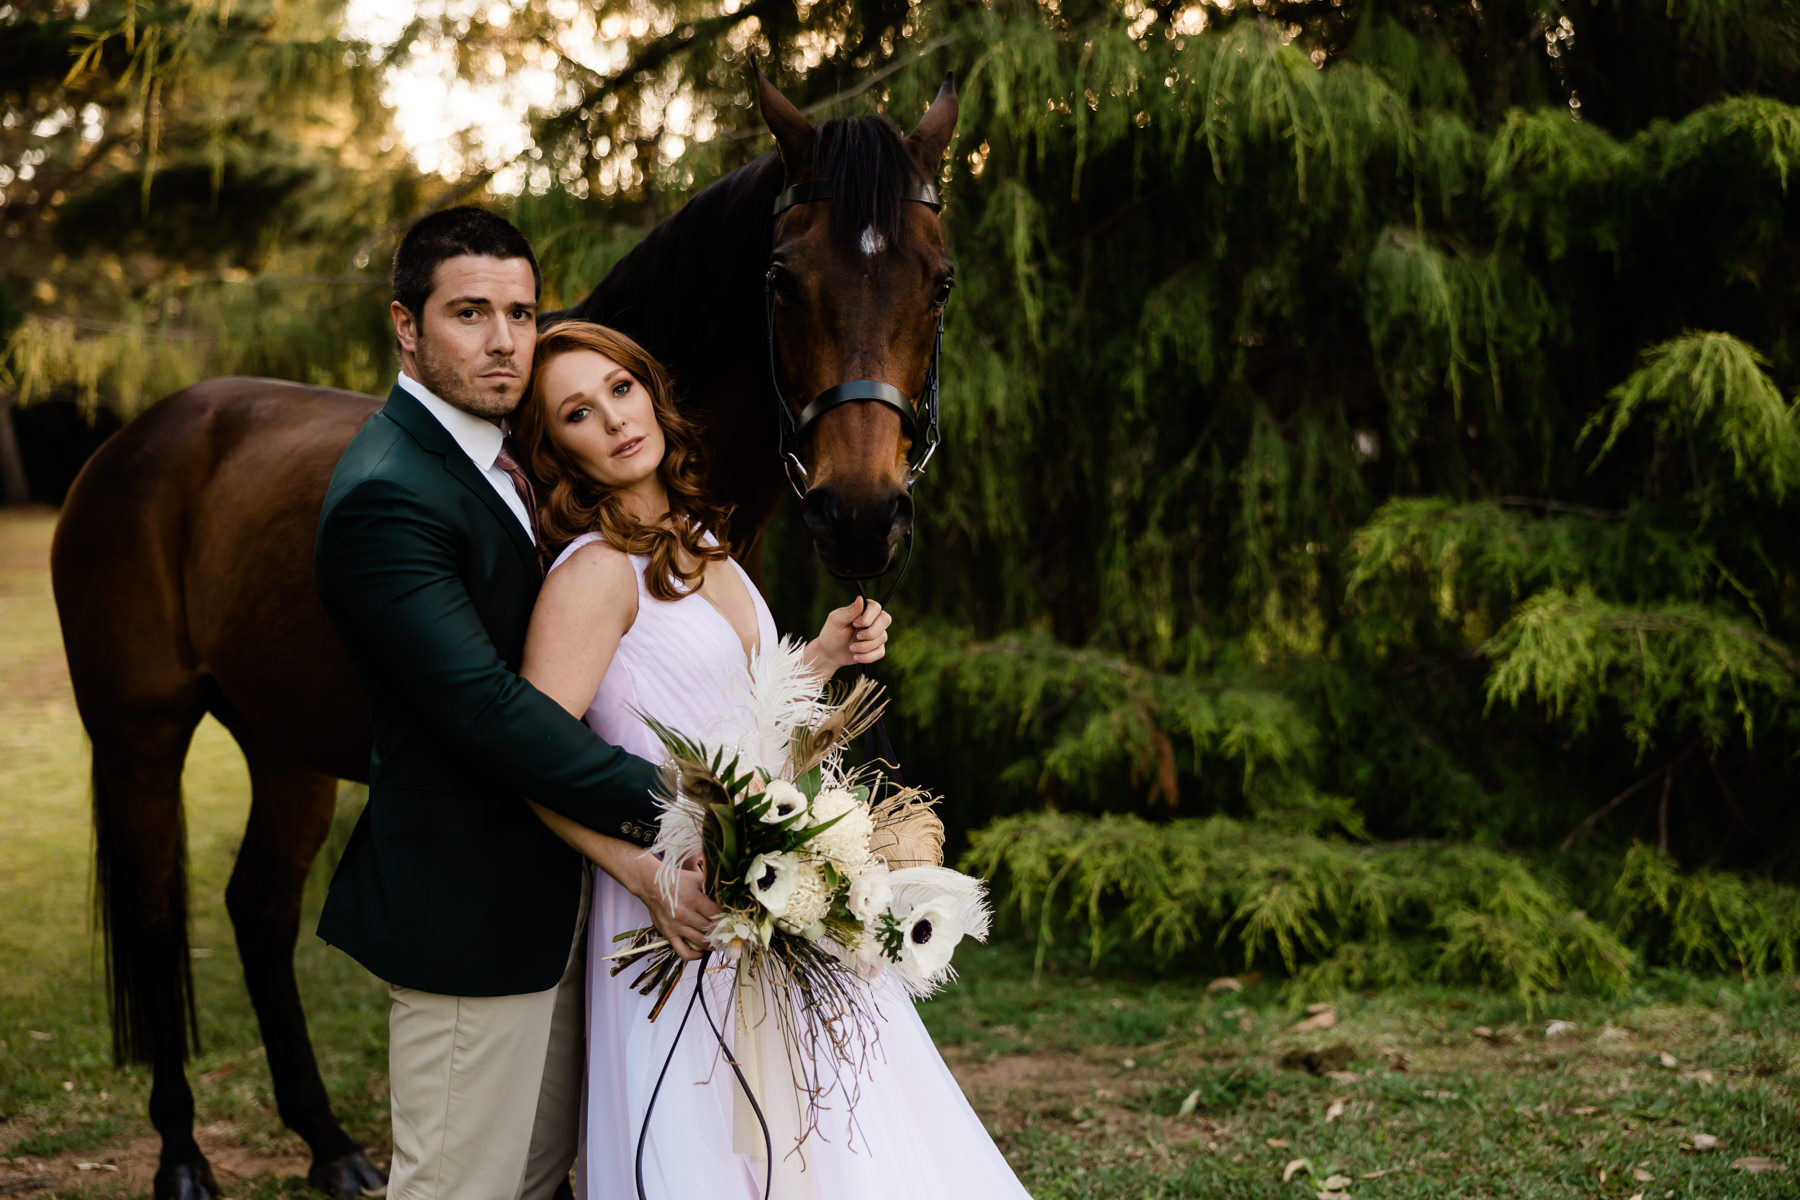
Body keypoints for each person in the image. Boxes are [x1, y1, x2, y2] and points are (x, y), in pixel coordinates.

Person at [511, 319, 1034, 1199]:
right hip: (679, 908)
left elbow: (749, 732)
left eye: (622, 389)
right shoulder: (592, 575)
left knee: (841, 1132)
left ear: (652, 394)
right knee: (715, 1143)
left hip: (782, 896)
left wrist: (821, 659)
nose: (612, 419)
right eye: (577, 412)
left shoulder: (699, 540)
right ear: (555, 449)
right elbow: (528, 761)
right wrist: (644, 875)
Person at [313, 209, 666, 1200]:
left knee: (538, 1178)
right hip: (465, 916)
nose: (506, 339)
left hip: (554, 906)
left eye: (521, 311)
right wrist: (689, 806)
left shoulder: (504, 461)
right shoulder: (390, 494)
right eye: (470, 313)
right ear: (406, 326)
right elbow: (486, 712)